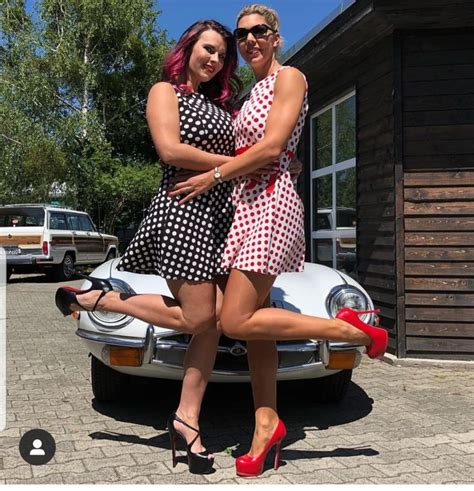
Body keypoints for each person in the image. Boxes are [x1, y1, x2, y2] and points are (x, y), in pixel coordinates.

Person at [169, 4, 388, 478]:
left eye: (258, 32)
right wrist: (252, 163)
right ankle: (265, 424)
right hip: (244, 205)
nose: (248, 40)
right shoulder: (251, 93)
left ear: (275, 36)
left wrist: (215, 175)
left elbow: (272, 146)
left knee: (235, 317)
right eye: (241, 34)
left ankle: (351, 329)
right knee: (255, 329)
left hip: (269, 205)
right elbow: (261, 149)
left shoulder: (291, 77)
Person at [56, 19, 242, 475]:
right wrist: (239, 163)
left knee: (212, 326)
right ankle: (104, 298)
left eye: (221, 55)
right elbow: (170, 151)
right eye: (208, 49)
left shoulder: (220, 105)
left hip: (220, 218)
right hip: (183, 214)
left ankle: (187, 418)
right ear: (189, 48)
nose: (214, 59)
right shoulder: (167, 92)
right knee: (201, 316)